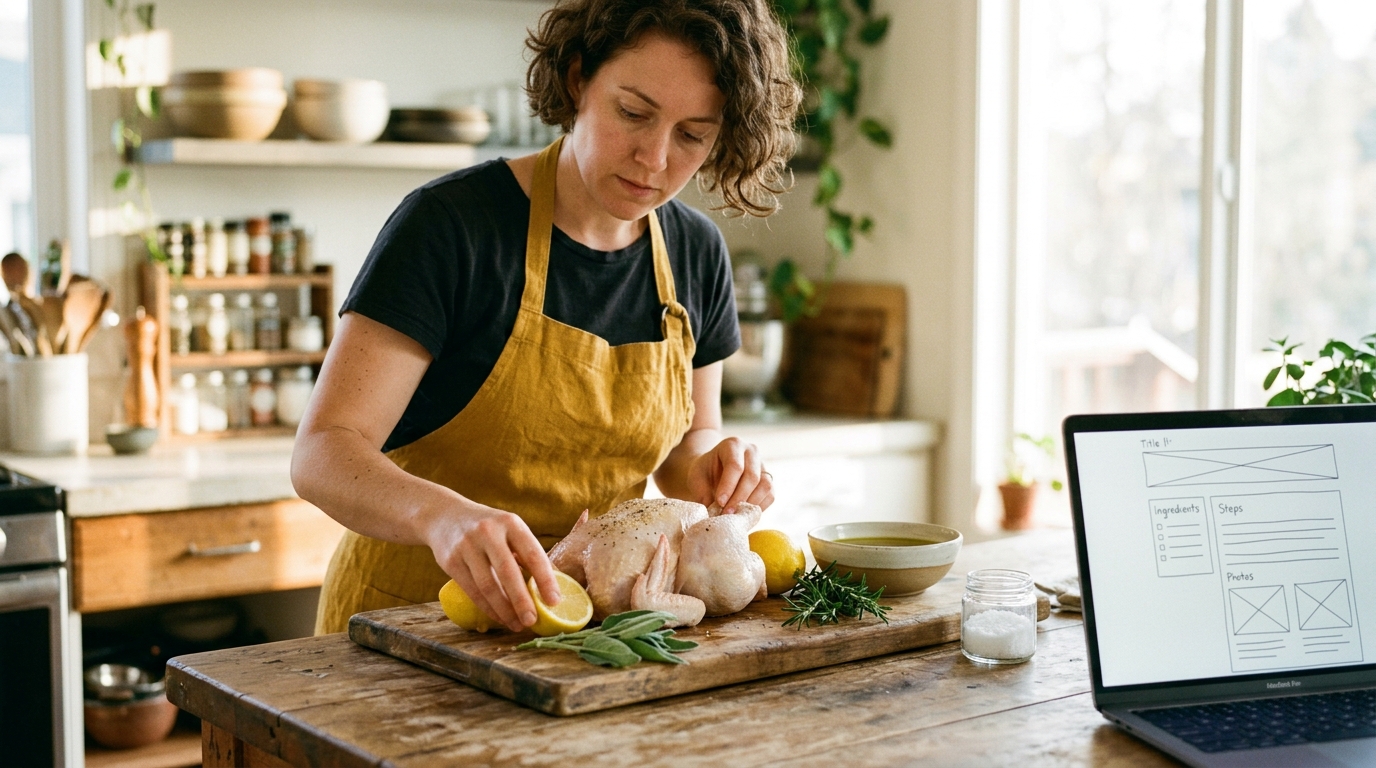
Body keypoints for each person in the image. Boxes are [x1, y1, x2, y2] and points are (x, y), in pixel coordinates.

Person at [294, 0, 802, 635]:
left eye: (692, 134)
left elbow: (687, 443)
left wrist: (711, 466)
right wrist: (443, 517)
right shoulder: (452, 228)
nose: (653, 157)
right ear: (577, 78)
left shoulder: (696, 252)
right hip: (411, 624)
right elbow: (322, 452)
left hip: (585, 636)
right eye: (633, 113)